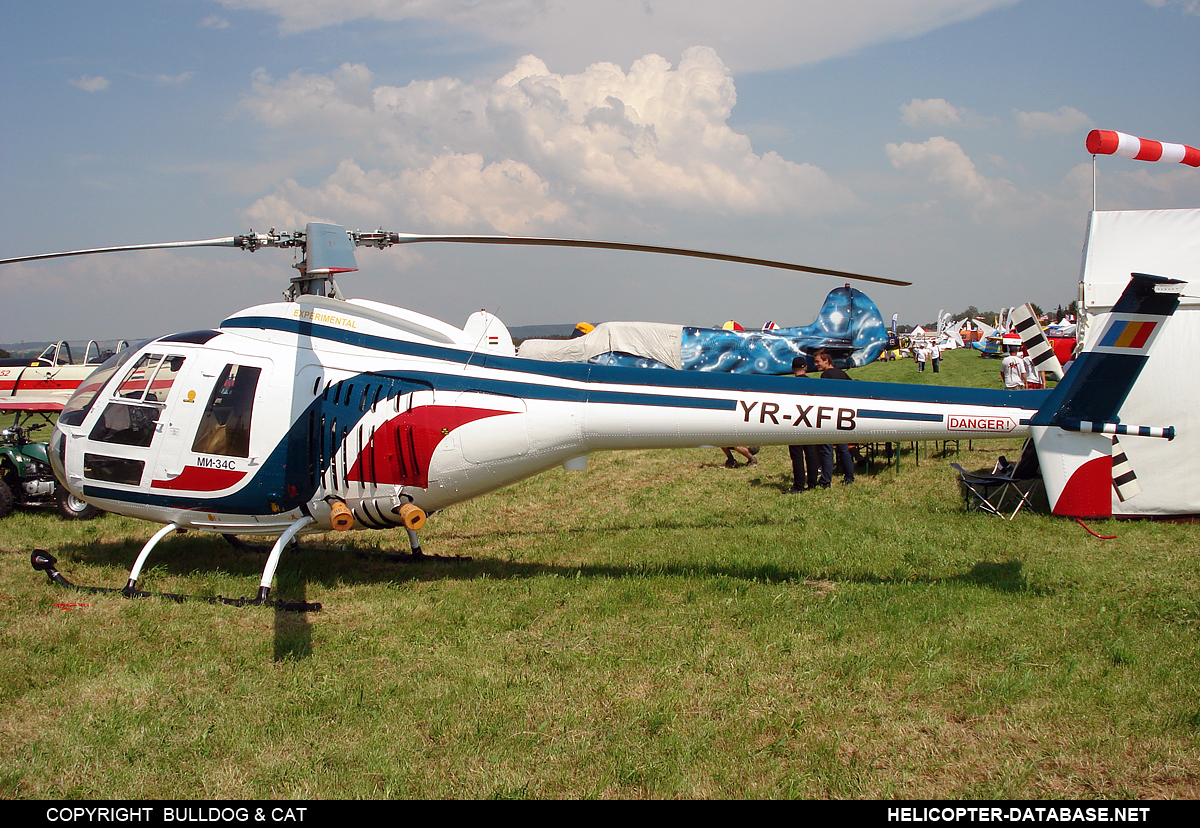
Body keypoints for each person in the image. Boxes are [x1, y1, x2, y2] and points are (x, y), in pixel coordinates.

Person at [812, 349, 855, 486]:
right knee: (843, 448)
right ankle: (849, 477)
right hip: (843, 414)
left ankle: (825, 480)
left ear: (826, 361)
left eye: (818, 361)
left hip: (830, 415)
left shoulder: (826, 375)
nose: (816, 364)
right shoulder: (842, 374)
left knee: (826, 449)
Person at [787, 356, 821, 492]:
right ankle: (812, 482)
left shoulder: (790, 386)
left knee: (797, 455)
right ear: (806, 367)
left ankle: (799, 484)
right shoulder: (812, 383)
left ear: (792, 369)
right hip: (810, 420)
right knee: (811, 453)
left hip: (795, 421)